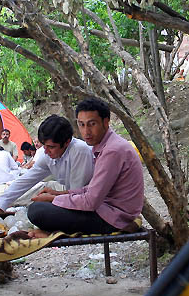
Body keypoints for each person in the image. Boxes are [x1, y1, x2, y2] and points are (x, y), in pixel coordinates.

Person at [27, 98, 144, 237]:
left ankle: (51, 232)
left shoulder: (113, 151)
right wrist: (59, 194)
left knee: (36, 211)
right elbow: (91, 189)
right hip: (108, 210)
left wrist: (52, 199)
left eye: (92, 124)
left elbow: (90, 202)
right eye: (81, 125)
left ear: (106, 122)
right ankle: (51, 231)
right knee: (41, 208)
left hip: (115, 218)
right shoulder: (105, 146)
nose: (86, 131)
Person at [0, 115, 94, 225]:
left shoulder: (80, 151)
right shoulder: (47, 155)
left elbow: (79, 196)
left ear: (67, 142)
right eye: (44, 146)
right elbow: (25, 181)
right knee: (36, 205)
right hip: (73, 199)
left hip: (91, 208)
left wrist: (53, 197)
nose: (46, 151)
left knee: (37, 210)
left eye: (51, 147)